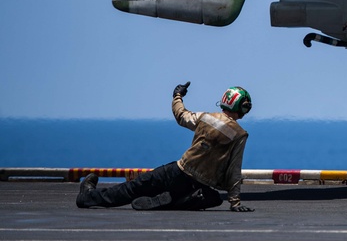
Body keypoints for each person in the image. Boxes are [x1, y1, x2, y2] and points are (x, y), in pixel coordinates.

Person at [76, 82, 254, 212]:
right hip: (200, 185)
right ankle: (176, 201)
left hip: (178, 172)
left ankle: (88, 197)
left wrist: (177, 96)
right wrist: (235, 202)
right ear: (241, 107)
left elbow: (181, 115)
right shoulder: (240, 134)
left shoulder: (206, 118)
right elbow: (234, 169)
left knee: (132, 188)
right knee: (214, 199)